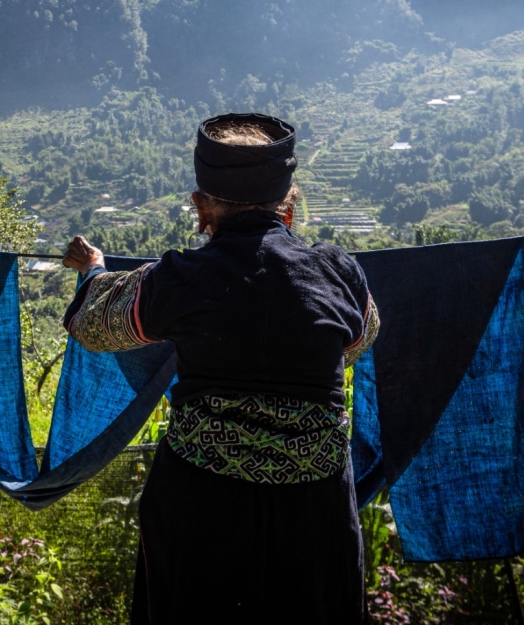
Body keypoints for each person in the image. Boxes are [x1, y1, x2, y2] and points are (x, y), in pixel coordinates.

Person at [61, 113, 378, 624]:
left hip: (203, 513)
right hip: (316, 517)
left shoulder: (183, 279)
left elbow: (93, 325)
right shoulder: (339, 273)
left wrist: (95, 269)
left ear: (201, 207)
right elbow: (361, 338)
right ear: (288, 205)